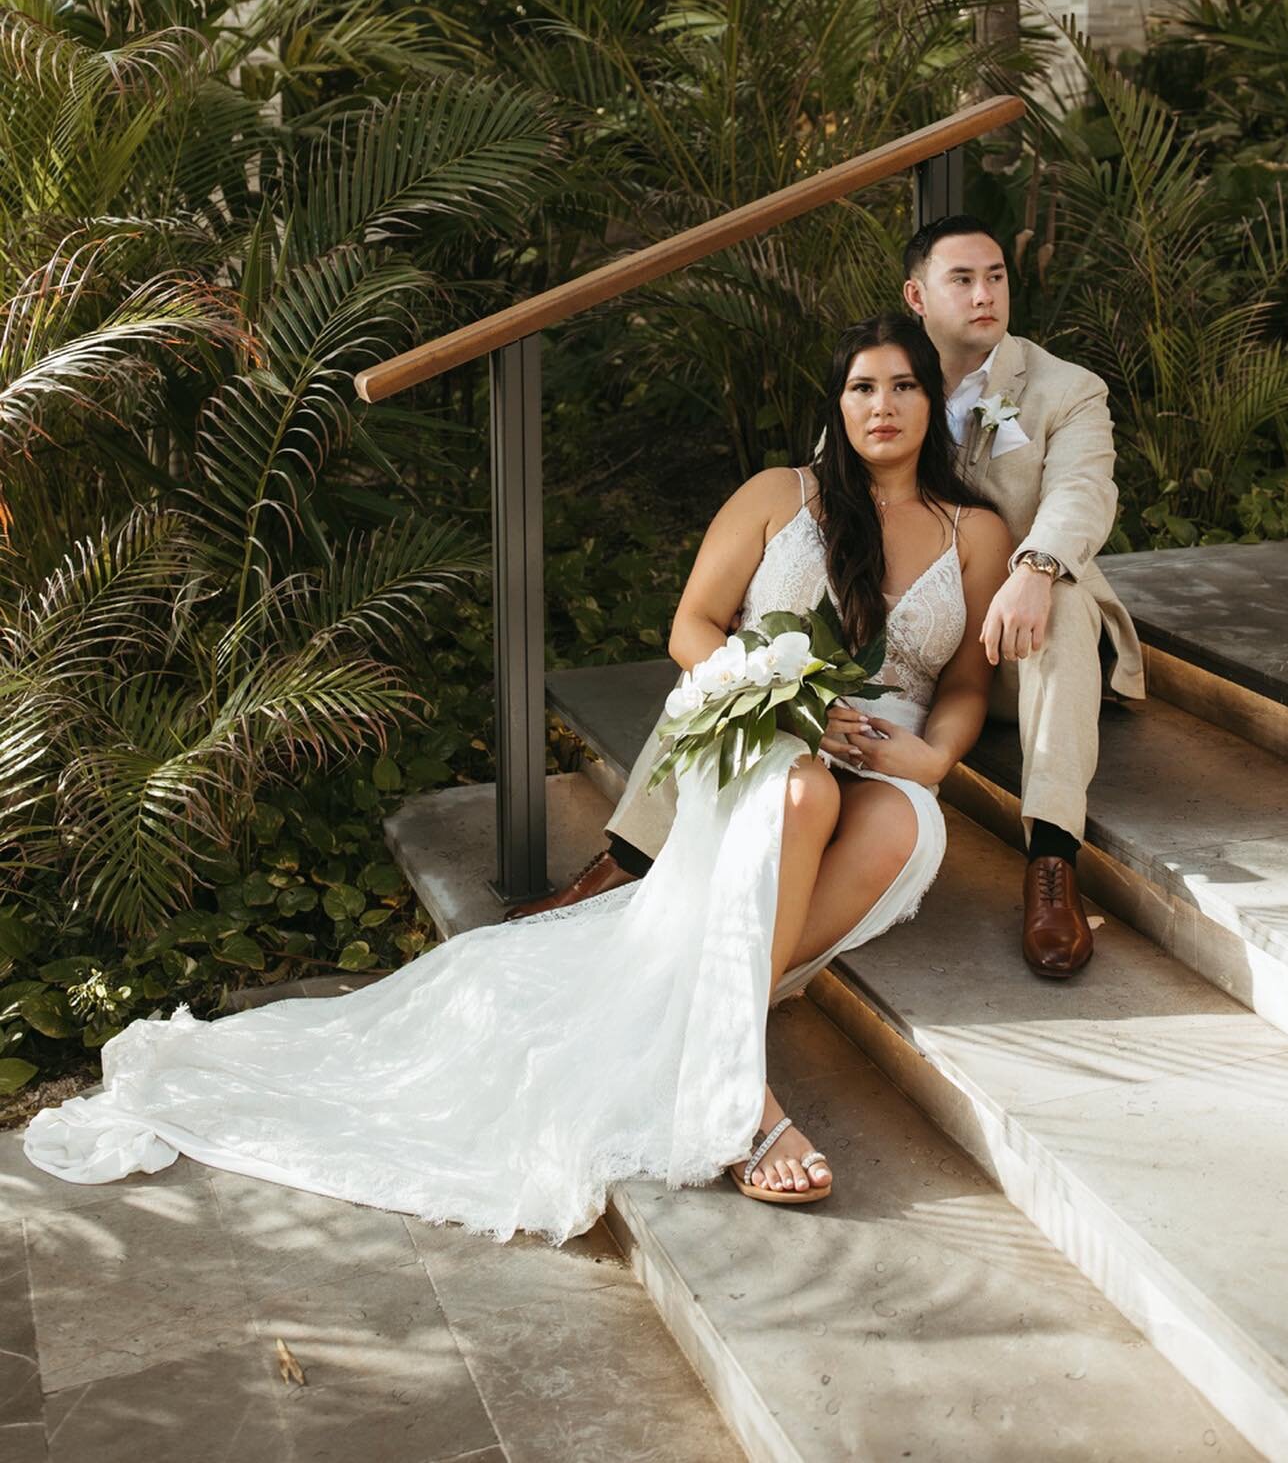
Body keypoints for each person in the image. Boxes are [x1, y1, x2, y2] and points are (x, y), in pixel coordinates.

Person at [23, 315, 1010, 1230]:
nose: (882, 406)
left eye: (903, 387)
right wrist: (772, 692)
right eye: (860, 388)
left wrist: (931, 754)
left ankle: (707, 1001)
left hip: (884, 751)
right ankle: (741, 1093)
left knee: (902, 829)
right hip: (756, 729)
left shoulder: (975, 533)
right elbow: (691, 629)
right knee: (803, 791)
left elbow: (963, 683)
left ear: (933, 400)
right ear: (837, 404)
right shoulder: (777, 496)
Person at [513, 216, 1142, 980]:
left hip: (1020, 630)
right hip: (886, 651)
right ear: (917, 295)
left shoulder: (1064, 388)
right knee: (773, 595)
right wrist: (776, 676)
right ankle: (632, 854)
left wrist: (1033, 566)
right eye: (963, 279)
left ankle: (1051, 860)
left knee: (1063, 601)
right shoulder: (880, 378)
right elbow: (828, 515)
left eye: (997, 276)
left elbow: (1081, 491)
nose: (986, 295)